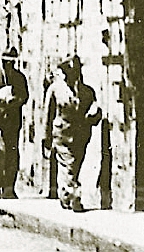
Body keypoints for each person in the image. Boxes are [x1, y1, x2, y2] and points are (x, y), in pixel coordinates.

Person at [44, 55, 102, 212]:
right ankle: (74, 197)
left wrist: (93, 113)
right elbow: (48, 115)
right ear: (64, 73)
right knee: (68, 166)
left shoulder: (87, 91)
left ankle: (66, 195)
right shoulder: (56, 89)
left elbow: (96, 110)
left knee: (75, 166)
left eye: (75, 72)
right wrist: (46, 138)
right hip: (61, 135)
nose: (73, 76)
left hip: (81, 135)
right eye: (69, 72)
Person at [0, 47, 30, 199]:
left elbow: (25, 96)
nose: (8, 65)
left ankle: (9, 187)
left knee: (13, 154)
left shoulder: (19, 78)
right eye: (6, 62)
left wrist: (15, 101)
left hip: (13, 122)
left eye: (11, 63)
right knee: (0, 152)